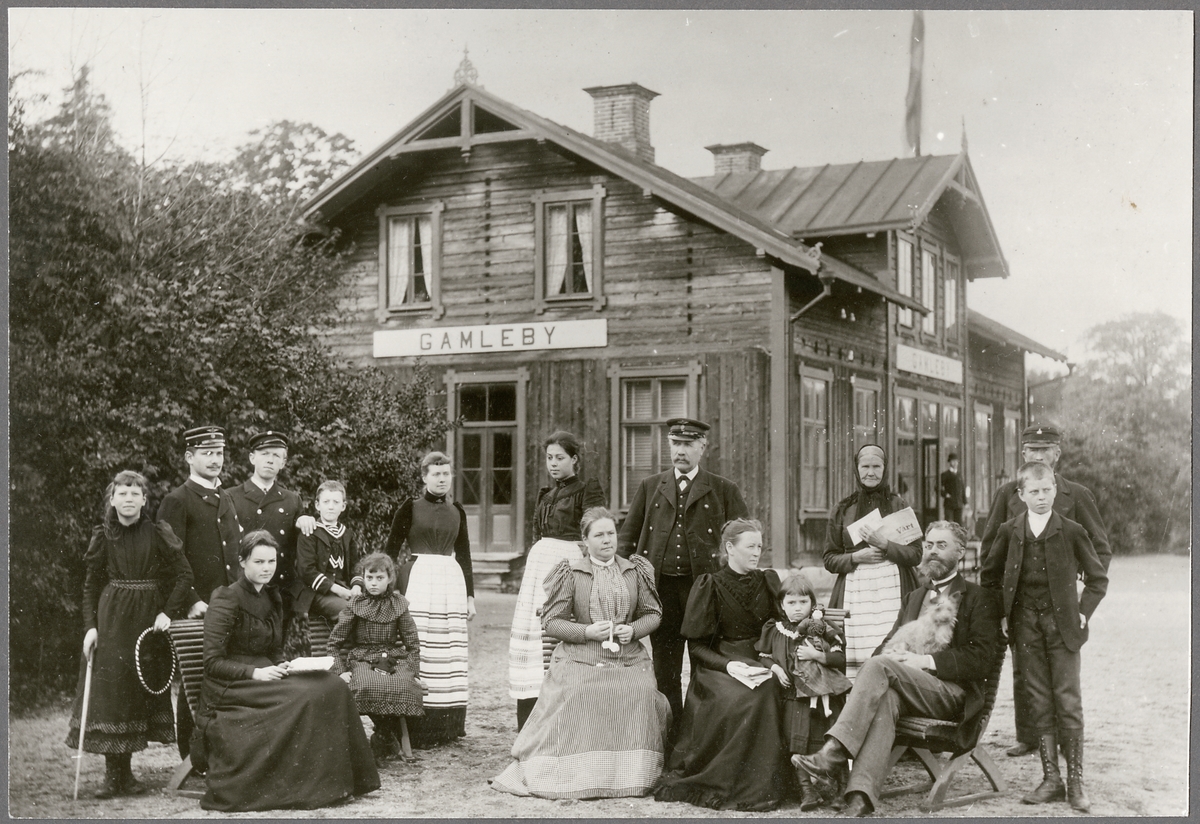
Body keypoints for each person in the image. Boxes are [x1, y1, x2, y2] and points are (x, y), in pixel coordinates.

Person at [795, 521, 1005, 818]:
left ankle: (833, 754)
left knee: (880, 666)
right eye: (928, 545)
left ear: (960, 551)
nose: (932, 551)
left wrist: (925, 662)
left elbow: (981, 659)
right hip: (909, 691)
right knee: (886, 697)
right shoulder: (914, 597)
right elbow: (884, 648)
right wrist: (893, 660)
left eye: (941, 545)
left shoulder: (979, 597)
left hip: (952, 695)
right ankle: (860, 797)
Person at [189, 531, 379, 812]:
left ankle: (339, 782)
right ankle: (313, 786)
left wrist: (282, 664)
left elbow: (275, 649)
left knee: (332, 685)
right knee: (306, 697)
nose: (266, 568)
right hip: (231, 687)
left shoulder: (272, 596)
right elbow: (212, 662)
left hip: (266, 675)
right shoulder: (226, 598)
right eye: (258, 562)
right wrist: (255, 673)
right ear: (242, 562)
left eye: (271, 561)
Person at [491, 507, 670, 799]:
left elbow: (653, 613)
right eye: (598, 535)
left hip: (628, 656)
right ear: (585, 540)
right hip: (581, 655)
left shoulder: (634, 570)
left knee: (641, 691)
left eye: (611, 533)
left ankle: (632, 774)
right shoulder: (571, 573)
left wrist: (634, 629)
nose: (607, 540)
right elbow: (551, 621)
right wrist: (587, 632)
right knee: (580, 692)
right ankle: (581, 774)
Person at [980, 462, 1108, 812]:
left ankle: (1076, 782)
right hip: (1025, 627)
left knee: (1068, 700)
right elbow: (989, 577)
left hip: (1063, 627)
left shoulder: (1072, 530)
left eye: (1047, 490)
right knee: (1037, 699)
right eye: (1033, 492)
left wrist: (1083, 611)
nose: (1041, 497)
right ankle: (1051, 779)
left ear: (1055, 489)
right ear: (1020, 495)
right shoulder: (1009, 530)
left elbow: (1098, 578)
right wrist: (1002, 614)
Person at [618, 417, 748, 741]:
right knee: (666, 670)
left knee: (706, 669)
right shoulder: (650, 487)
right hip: (660, 594)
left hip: (704, 594)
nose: (681, 450)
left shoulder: (723, 489)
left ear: (703, 447)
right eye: (676, 443)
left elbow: (745, 540)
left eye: (688, 444)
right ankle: (671, 741)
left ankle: (701, 742)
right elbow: (627, 541)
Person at [65, 470, 193, 798]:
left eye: (135, 494)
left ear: (144, 500)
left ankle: (127, 775)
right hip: (111, 623)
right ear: (112, 500)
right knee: (114, 694)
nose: (129, 499)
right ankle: (114, 776)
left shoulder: (158, 532)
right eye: (122, 493)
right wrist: (90, 627)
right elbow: (91, 586)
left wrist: (168, 612)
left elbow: (183, 575)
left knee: (136, 692)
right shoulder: (103, 536)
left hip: (147, 623)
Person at [653, 519, 791, 812]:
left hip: (762, 657)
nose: (757, 552)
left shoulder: (767, 580)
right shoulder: (710, 585)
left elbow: (782, 626)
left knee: (769, 686)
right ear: (730, 548)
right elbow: (697, 647)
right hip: (719, 666)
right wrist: (729, 666)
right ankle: (745, 784)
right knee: (751, 696)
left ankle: (773, 781)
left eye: (760, 546)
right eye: (750, 546)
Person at [508, 430, 606, 730]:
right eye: (549, 458)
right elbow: (537, 534)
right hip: (540, 568)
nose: (553, 463)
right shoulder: (545, 495)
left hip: (568, 566)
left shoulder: (587, 490)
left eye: (560, 458)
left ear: (574, 459)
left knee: (560, 630)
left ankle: (567, 719)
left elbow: (595, 531)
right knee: (536, 636)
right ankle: (532, 719)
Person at [156, 424, 244, 757]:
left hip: (230, 602)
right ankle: (192, 756)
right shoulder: (176, 501)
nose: (215, 459)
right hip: (199, 605)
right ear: (189, 457)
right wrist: (192, 600)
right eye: (207, 453)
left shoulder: (226, 497)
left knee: (228, 675)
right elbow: (167, 561)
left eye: (218, 453)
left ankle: (223, 750)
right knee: (196, 679)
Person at [384, 451, 476, 748]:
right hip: (419, 579)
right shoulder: (410, 508)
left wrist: (470, 597)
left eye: (446, 474)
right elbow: (390, 549)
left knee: (448, 649)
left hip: (451, 582)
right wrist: (386, 588)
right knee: (420, 644)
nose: (441, 479)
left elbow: (464, 555)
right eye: (436, 474)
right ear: (424, 477)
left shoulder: (457, 511)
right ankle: (417, 724)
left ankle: (448, 725)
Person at [824, 444, 923, 680]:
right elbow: (829, 558)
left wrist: (885, 545)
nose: (871, 472)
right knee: (856, 649)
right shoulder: (843, 509)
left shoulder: (899, 505)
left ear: (885, 468)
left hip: (894, 590)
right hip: (856, 592)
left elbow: (916, 554)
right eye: (865, 466)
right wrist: (855, 557)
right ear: (856, 468)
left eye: (876, 466)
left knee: (896, 647)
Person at [757, 572, 851, 811]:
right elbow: (764, 656)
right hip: (794, 698)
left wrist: (816, 655)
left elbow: (840, 659)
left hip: (824, 696)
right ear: (781, 605)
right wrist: (776, 668)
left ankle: (842, 790)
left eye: (803, 602)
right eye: (791, 602)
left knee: (832, 740)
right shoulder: (775, 629)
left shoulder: (821, 627)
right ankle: (807, 791)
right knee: (796, 741)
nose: (797, 608)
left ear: (812, 603)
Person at [329, 552, 425, 763]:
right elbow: (334, 643)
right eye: (369, 577)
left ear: (389, 578)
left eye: (379, 578)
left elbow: (412, 643)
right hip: (363, 658)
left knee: (404, 683)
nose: (373, 583)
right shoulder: (356, 604)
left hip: (392, 658)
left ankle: (383, 736)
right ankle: (385, 736)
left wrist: (414, 672)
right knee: (366, 683)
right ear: (363, 578)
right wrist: (340, 671)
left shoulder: (398, 604)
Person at [226, 430, 317, 623]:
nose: (270, 460)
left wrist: (305, 521)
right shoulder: (231, 496)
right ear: (252, 458)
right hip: (244, 591)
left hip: (281, 593)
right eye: (264, 454)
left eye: (276, 455)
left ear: (283, 463)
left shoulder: (292, 500)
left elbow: (302, 552)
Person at [295, 480, 363, 621]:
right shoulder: (309, 532)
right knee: (352, 612)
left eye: (336, 502)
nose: (331, 507)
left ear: (343, 506)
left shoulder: (347, 534)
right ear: (317, 505)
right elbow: (306, 571)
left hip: (344, 589)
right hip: (317, 593)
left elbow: (355, 566)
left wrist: (356, 585)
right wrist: (338, 590)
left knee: (375, 609)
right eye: (326, 502)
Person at [940, 453, 966, 525]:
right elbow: (937, 487)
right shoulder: (945, 474)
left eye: (956, 461)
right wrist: (945, 494)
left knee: (958, 525)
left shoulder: (959, 475)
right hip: (949, 504)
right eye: (953, 461)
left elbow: (962, 489)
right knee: (948, 524)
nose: (955, 463)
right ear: (949, 462)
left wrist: (965, 502)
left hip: (959, 504)